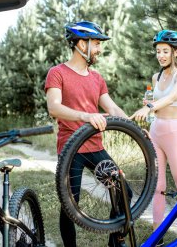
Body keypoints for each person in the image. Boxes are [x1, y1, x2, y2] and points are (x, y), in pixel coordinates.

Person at [44, 21, 129, 247]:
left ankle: (115, 242)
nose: (100, 49)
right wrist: (86, 116)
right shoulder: (57, 72)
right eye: (97, 44)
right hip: (71, 148)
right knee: (70, 206)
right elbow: (54, 107)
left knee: (125, 193)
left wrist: (136, 129)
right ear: (82, 44)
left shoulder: (96, 78)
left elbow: (112, 109)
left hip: (95, 147)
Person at [130, 29, 177, 247]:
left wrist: (149, 108)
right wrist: (148, 109)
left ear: (175, 52)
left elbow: (173, 97)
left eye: (165, 51)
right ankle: (156, 236)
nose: (161, 55)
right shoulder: (155, 77)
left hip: (174, 132)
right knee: (157, 185)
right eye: (158, 51)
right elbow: (153, 103)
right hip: (156, 130)